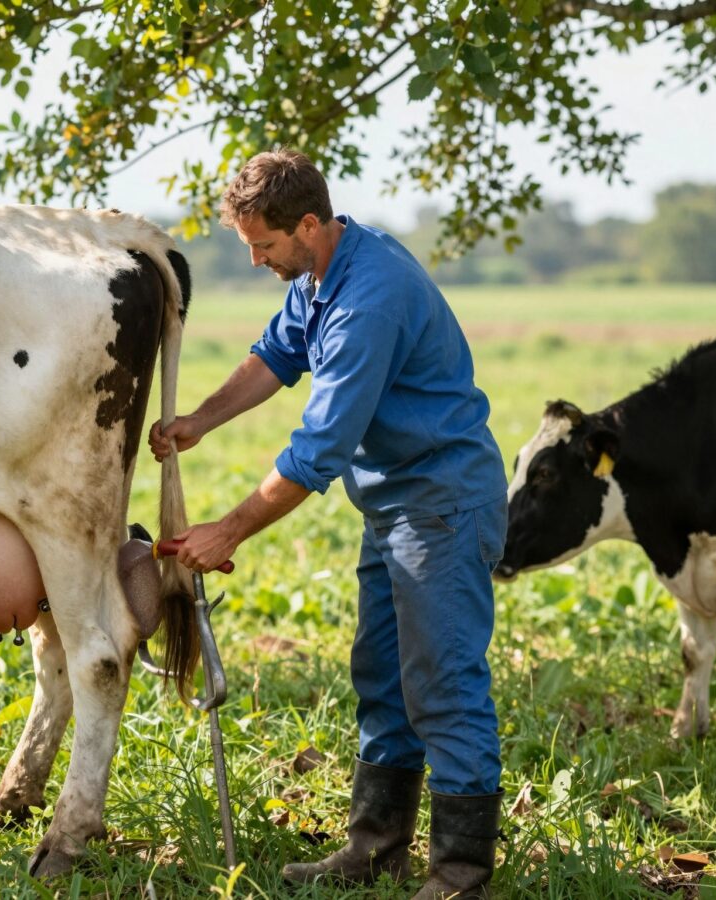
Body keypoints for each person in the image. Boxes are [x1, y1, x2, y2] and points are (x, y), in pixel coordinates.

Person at [148, 148, 507, 898]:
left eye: (265, 246)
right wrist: (199, 423)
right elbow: (277, 354)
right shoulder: (320, 273)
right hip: (395, 506)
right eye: (247, 246)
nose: (255, 261)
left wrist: (229, 530)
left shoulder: (367, 297)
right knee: (381, 677)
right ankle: (375, 848)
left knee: (442, 684)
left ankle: (461, 875)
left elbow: (318, 452)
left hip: (441, 506)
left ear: (309, 223)